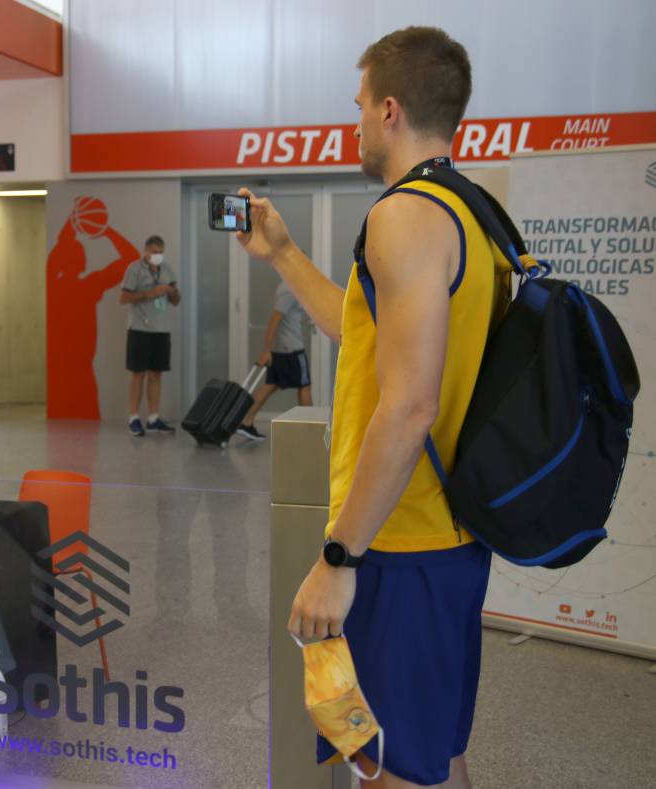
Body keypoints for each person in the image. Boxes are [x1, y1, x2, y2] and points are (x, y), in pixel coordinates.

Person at [237, 27, 506, 788]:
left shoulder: (405, 215)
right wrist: (283, 253)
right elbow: (362, 333)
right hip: (446, 533)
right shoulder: (471, 211)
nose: (354, 120)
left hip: (400, 540)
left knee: (386, 768)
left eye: (358, 104)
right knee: (433, 758)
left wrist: (339, 557)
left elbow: (410, 405)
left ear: (390, 110)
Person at [46, 203, 140, 419]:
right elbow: (132, 258)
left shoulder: (51, 287)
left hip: (57, 377)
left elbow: (61, 247)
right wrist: (106, 230)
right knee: (87, 432)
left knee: (58, 430)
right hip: (81, 377)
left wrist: (72, 221)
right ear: (82, 262)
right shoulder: (88, 287)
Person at [119, 235, 181, 436]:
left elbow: (176, 301)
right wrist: (151, 293)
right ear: (145, 252)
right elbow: (123, 297)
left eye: (161, 252)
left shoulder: (167, 269)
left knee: (156, 374)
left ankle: (153, 418)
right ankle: (133, 418)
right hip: (139, 329)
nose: (158, 256)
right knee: (138, 374)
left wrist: (171, 292)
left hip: (161, 330)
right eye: (154, 252)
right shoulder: (134, 269)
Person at [237, 279, 312, 440]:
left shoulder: (288, 286)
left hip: (282, 347)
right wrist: (266, 350)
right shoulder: (289, 288)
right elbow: (274, 319)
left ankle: (246, 421)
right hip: (291, 348)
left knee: (271, 384)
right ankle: (312, 429)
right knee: (304, 385)